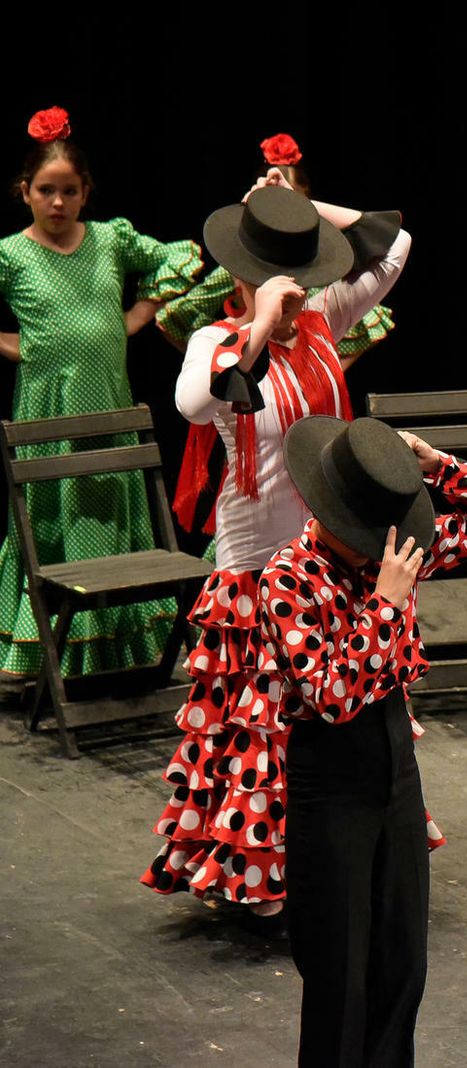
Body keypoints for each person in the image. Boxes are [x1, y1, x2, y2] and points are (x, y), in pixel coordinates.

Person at [141, 182, 415, 921]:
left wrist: (310, 212)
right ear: (242, 277)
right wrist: (258, 322)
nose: (293, 293)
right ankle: (258, 867)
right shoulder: (216, 341)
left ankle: (336, 846)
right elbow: (197, 404)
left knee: (330, 711)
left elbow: (396, 246)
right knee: (263, 722)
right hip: (255, 554)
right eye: (271, 277)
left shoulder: (328, 317)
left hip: (332, 554)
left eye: (296, 276)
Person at [263, 416, 467, 1065]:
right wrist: (384, 605)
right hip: (331, 775)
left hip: (394, 765)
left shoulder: (392, 549)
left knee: (403, 963)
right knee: (339, 970)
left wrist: (435, 466)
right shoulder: (289, 578)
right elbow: (331, 697)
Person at [0, 106, 202, 679]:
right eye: (46, 191)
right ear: (26, 193)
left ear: (85, 192)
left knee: (107, 511)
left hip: (108, 404)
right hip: (47, 409)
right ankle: (40, 653)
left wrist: (139, 313)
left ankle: (120, 647)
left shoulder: (110, 240)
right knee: (49, 518)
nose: (58, 202)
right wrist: (23, 346)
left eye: (69, 190)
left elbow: (177, 256)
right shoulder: (11, 255)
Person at [156, 133, 400, 367]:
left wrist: (324, 364)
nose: (286, 215)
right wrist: (218, 364)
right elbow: (176, 318)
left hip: (309, 367)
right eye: (278, 204)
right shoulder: (237, 268)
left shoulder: (322, 268)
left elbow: (395, 245)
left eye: (294, 205)